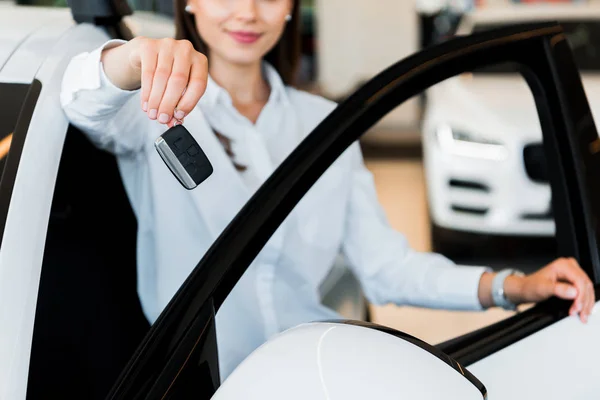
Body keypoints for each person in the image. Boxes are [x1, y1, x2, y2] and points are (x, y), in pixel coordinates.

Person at [60, 0, 595, 380]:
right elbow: (81, 102)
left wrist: (513, 286)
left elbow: (387, 268)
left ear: (291, 7)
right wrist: (131, 61)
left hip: (314, 376)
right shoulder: (148, 110)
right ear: (191, 3)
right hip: (194, 381)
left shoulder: (326, 124)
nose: (247, 12)